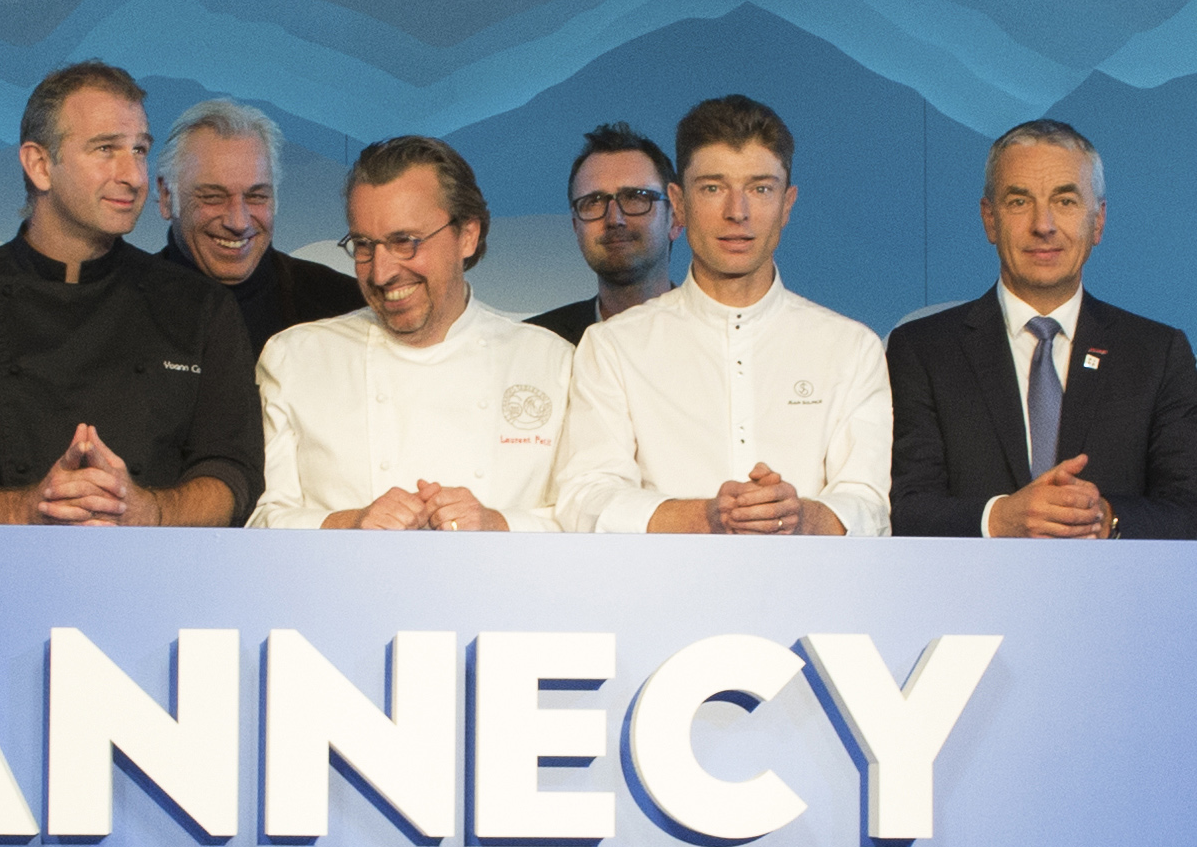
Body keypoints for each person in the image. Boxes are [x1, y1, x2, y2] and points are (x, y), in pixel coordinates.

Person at [0, 62, 266, 527]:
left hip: (152, 585)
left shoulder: (202, 308)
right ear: (40, 165)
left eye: (140, 150)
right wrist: (26, 509)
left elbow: (233, 474)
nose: (134, 176)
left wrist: (149, 511)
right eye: (106, 149)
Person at [547, 94, 889, 537]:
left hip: (809, 598)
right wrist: (706, 517)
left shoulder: (851, 347)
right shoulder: (612, 346)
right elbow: (586, 498)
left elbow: (870, 505)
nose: (737, 212)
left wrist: (804, 516)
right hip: (658, 599)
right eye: (713, 188)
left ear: (787, 204)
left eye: (760, 188)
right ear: (679, 203)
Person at [885, 121, 1197, 540]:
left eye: (1065, 201)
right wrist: (1000, 518)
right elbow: (905, 507)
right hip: (970, 598)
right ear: (990, 219)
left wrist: (1107, 518)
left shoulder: (1156, 354)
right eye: (1019, 201)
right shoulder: (923, 351)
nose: (1043, 224)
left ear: (1097, 222)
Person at [253, 136, 575, 530]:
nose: (381, 272)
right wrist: (351, 525)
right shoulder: (295, 358)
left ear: (468, 235)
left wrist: (497, 525)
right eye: (364, 245)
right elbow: (261, 523)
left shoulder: (552, 363)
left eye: (405, 242)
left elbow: (587, 520)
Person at [157, 98, 359, 356]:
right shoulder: (114, 312)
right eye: (212, 197)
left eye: (256, 196)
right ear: (166, 197)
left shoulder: (344, 311)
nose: (239, 223)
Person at [530, 124, 683, 345]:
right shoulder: (535, 345)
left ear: (676, 217)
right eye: (593, 202)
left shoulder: (723, 341)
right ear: (575, 225)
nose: (614, 219)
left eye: (635, 197)